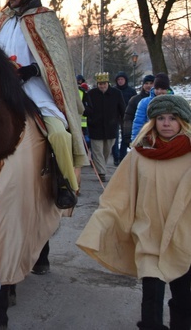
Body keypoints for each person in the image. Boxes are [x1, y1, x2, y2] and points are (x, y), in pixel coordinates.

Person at [77, 94, 191, 329]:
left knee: (184, 301)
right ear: (153, 121)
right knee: (151, 302)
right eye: (161, 118)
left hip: (184, 240)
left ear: (183, 121)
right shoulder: (140, 154)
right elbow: (118, 196)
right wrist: (100, 223)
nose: (166, 123)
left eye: (172, 118)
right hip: (149, 238)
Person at [0, 0, 88, 193]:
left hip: (36, 89)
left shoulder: (45, 19)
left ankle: (66, 184)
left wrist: (31, 70)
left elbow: (57, 61)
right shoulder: (0, 19)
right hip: (2, 89)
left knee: (59, 134)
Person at [84, 72, 125, 183]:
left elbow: (122, 109)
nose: (102, 86)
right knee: (97, 151)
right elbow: (86, 109)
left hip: (111, 127)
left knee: (106, 151)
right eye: (100, 84)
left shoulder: (117, 93)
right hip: (95, 127)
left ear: (108, 83)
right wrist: (88, 115)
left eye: (104, 84)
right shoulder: (91, 94)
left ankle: (101, 167)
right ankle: (101, 172)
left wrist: (122, 123)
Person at [132, 73, 171, 141]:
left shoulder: (174, 102)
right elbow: (138, 123)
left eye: (162, 89)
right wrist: (136, 140)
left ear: (167, 89)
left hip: (169, 138)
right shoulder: (144, 103)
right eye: (157, 88)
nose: (159, 91)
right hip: (149, 138)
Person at [112, 71, 136, 165]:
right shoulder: (113, 90)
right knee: (115, 137)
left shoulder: (131, 91)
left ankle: (122, 156)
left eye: (122, 79)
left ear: (125, 80)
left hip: (127, 116)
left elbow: (134, 103)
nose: (120, 81)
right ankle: (115, 156)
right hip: (115, 116)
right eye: (118, 79)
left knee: (126, 137)